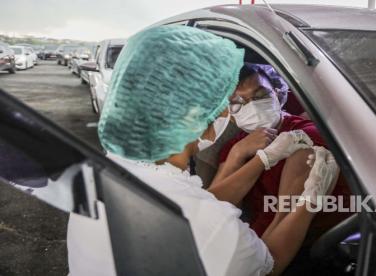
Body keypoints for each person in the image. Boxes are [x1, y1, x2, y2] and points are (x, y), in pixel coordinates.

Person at [67, 25, 339, 276]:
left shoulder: (102, 176)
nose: (226, 110)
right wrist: (307, 204)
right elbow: (269, 264)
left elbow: (201, 202)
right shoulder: (207, 226)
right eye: (227, 101)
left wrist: (261, 160)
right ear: (196, 115)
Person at [208, 64, 351, 242]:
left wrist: (258, 263)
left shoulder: (305, 137)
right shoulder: (235, 146)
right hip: (258, 239)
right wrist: (237, 154)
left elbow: (285, 222)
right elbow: (213, 210)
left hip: (312, 242)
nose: (252, 106)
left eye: (260, 95)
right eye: (237, 102)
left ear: (278, 93)